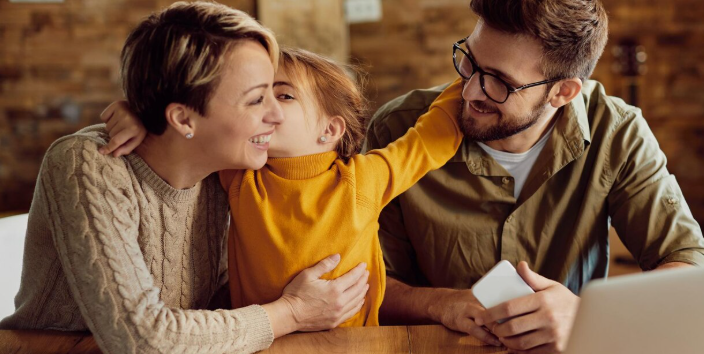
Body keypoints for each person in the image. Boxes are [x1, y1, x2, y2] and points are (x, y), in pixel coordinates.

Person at [0, 1, 370, 354]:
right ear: (182, 118)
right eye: (258, 99)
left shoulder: (223, 169)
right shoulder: (87, 164)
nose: (275, 116)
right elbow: (144, 348)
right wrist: (291, 312)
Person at [365, 0, 704, 354]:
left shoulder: (617, 132)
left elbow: (689, 263)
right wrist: (439, 303)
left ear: (562, 92)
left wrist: (587, 315)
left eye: (499, 80)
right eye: (469, 61)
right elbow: (365, 282)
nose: (469, 90)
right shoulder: (398, 127)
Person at [98, 48, 464, 326]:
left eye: (284, 96)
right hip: (259, 340)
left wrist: (472, 75)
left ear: (330, 130)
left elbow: (432, 137)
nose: (266, 109)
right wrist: (138, 114)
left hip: (356, 346)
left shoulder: (365, 179)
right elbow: (188, 129)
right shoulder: (241, 174)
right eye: (258, 97)